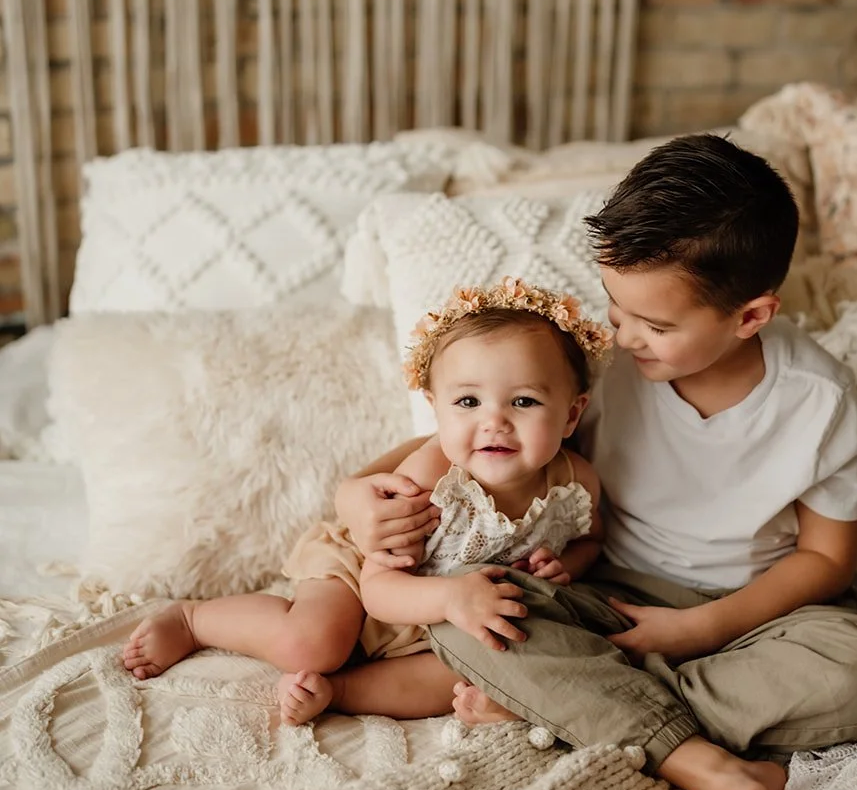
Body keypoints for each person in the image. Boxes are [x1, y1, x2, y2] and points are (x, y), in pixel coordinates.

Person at [337, 134, 857, 790]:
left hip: (754, 618)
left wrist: (698, 626)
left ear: (750, 317)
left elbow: (827, 559)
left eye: (653, 324)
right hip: (600, 599)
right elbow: (476, 441)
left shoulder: (820, 402)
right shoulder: (606, 368)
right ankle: (692, 758)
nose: (624, 335)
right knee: (477, 605)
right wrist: (354, 491)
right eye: (616, 311)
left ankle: (566, 705)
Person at [122, 278, 611, 726]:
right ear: (435, 407)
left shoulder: (576, 482)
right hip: (363, 581)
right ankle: (193, 620)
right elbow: (380, 588)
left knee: (467, 675)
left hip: (444, 624)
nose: (494, 422)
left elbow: (591, 540)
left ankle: (336, 693)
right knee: (312, 643)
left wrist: (563, 564)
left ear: (571, 414)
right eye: (468, 402)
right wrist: (448, 597)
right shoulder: (432, 477)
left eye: (524, 402)